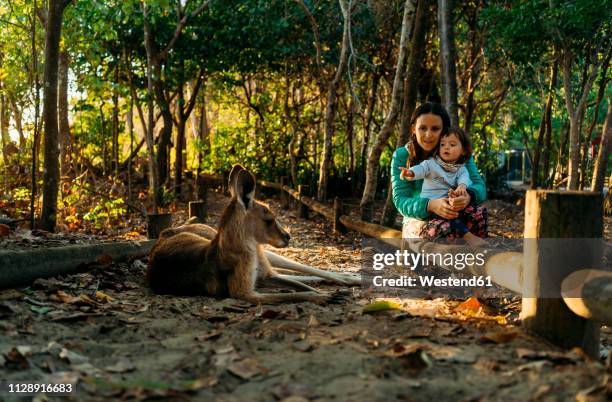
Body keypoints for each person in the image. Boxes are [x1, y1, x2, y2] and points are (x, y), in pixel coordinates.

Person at [391, 102, 487, 244]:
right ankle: (440, 263)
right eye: (422, 128)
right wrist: (430, 205)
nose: (428, 135)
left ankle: (479, 259)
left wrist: (467, 196)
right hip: (419, 219)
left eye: (435, 129)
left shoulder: (458, 152)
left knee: (478, 215)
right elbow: (400, 199)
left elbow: (479, 185)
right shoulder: (401, 156)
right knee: (442, 229)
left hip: (454, 209)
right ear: (413, 129)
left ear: (444, 130)